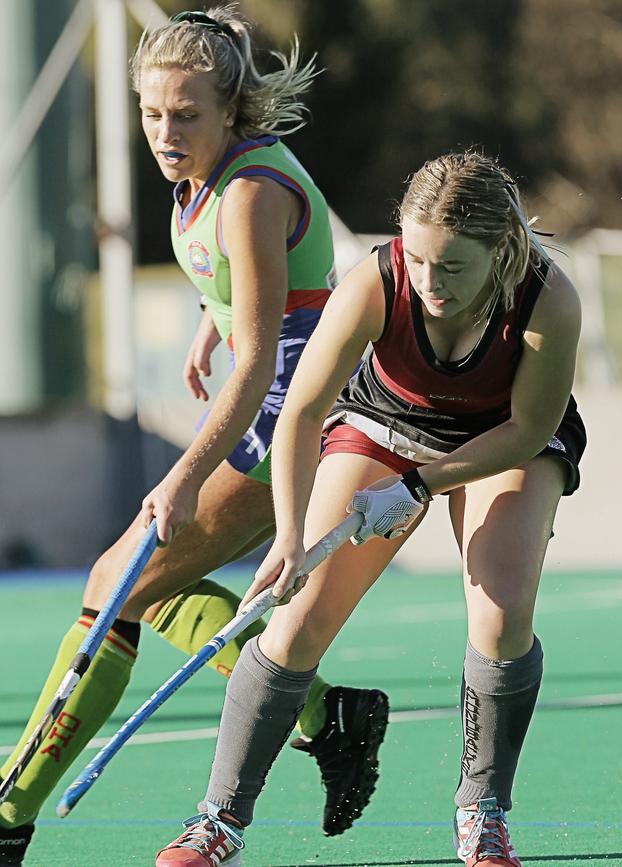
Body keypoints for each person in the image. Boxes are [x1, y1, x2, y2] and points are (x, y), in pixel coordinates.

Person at [0, 8, 389, 865]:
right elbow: (266, 296)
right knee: (143, 586)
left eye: (186, 115)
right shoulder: (207, 177)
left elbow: (258, 368)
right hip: (282, 394)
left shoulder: (248, 190)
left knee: (115, 583)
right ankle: (327, 712)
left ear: (231, 108)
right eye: (150, 113)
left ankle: (9, 809)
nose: (165, 134)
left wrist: (180, 476)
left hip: (297, 417)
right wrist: (213, 323)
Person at [153, 150, 586, 867]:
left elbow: (529, 430)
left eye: (452, 267)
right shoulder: (376, 281)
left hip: (502, 438)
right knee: (293, 624)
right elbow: (302, 411)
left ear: (500, 250)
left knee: (501, 613)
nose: (430, 281)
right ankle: (217, 821)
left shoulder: (549, 299)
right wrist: (290, 534)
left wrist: (416, 487)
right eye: (418, 259)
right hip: (384, 426)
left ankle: (481, 812)